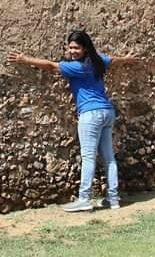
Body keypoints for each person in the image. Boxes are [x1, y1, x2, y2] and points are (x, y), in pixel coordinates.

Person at [8, 29, 140, 212]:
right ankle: (113, 199)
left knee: (88, 157)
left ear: (85, 48)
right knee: (108, 157)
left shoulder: (77, 67)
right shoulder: (98, 61)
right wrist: (126, 59)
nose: (72, 51)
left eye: (76, 48)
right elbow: (113, 61)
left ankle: (85, 198)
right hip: (107, 112)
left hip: (90, 114)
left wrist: (24, 59)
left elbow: (50, 66)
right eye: (70, 47)